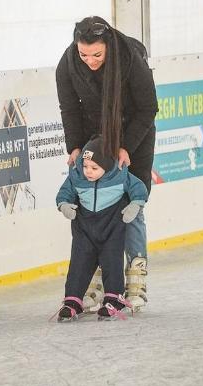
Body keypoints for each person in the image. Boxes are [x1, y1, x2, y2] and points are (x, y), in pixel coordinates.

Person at [55, 16, 158, 311]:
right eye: (83, 54)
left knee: (130, 204)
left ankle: (136, 278)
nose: (90, 61)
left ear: (109, 46)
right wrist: (75, 147)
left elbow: (148, 108)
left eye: (97, 55)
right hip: (93, 139)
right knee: (90, 205)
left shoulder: (129, 59)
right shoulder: (68, 63)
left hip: (134, 136)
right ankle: (93, 279)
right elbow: (69, 108)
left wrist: (126, 147)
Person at [54, 136, 149, 322]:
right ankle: (72, 301)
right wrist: (64, 205)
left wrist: (135, 204)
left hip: (112, 229)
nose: (88, 171)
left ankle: (113, 300)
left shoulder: (120, 175)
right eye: (86, 166)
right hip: (85, 230)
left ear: (106, 166)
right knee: (78, 264)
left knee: (111, 263)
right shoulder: (77, 176)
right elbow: (64, 192)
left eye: (94, 168)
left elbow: (139, 188)